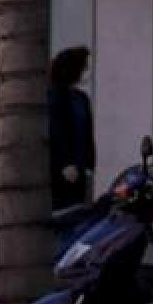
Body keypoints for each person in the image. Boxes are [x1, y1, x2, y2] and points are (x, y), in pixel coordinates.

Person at [48, 46, 96, 211]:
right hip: (59, 172)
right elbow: (54, 132)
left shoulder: (81, 99)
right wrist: (64, 163)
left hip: (80, 169)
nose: (85, 72)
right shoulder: (52, 96)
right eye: (83, 68)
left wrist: (89, 165)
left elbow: (87, 135)